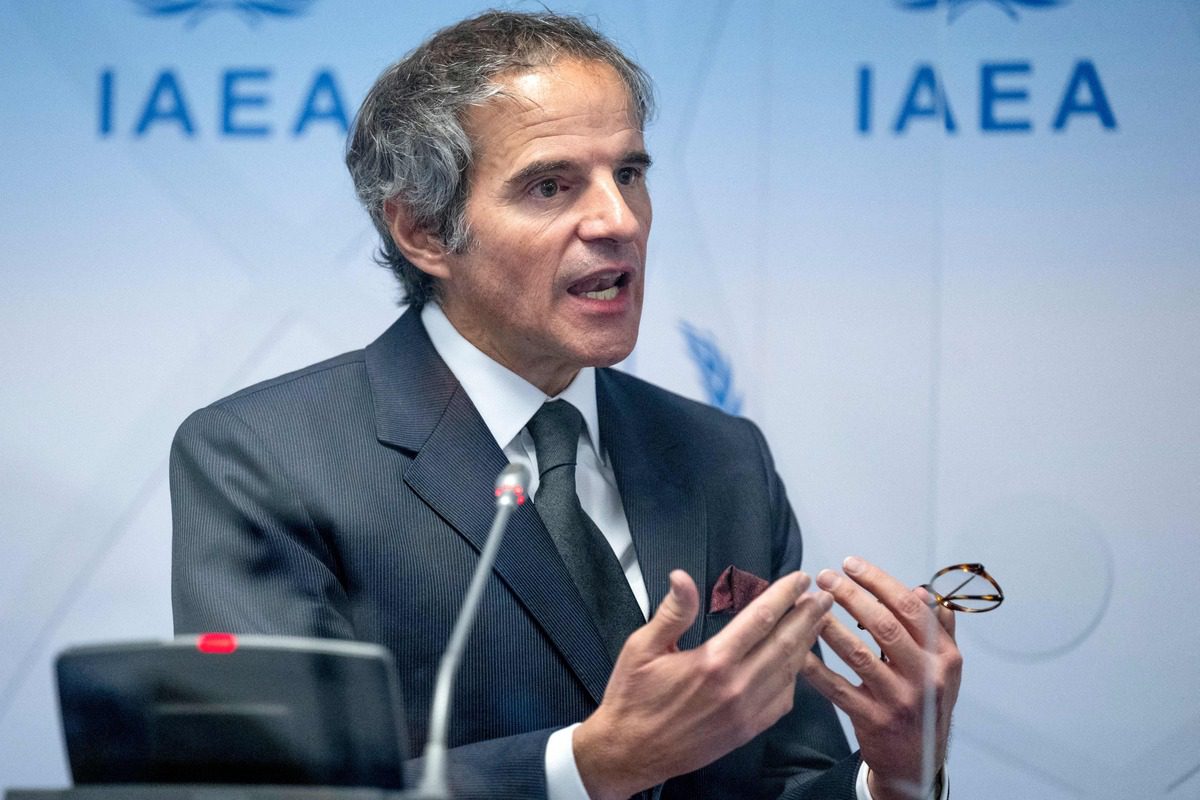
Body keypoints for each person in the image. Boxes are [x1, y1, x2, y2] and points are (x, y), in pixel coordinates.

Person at [170, 11, 961, 800]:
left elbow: (788, 777)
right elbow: (272, 789)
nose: (617, 220)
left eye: (630, 174)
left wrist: (892, 779)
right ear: (423, 230)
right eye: (551, 185)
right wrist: (583, 771)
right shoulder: (266, 456)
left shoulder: (723, 457)